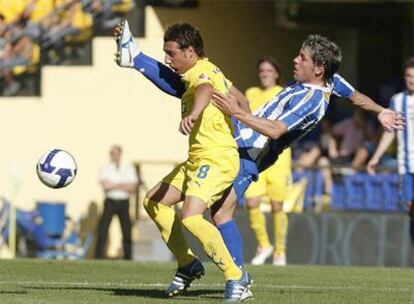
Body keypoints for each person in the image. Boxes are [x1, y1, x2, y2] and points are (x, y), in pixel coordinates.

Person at [115, 20, 403, 301]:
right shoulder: (330, 80)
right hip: (237, 141)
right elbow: (354, 95)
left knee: (220, 213)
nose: (294, 60)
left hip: (250, 155)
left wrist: (238, 113)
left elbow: (276, 129)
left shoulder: (311, 101)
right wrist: (380, 110)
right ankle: (136, 58)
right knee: (194, 92)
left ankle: (238, 279)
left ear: (318, 68)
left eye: (301, 58)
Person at [116, 20, 252, 302]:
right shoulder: (211, 69)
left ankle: (235, 276)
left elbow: (202, 90)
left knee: (191, 216)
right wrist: (240, 117)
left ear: (190, 51)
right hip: (201, 157)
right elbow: (240, 98)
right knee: (153, 201)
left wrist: (194, 114)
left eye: (171, 53)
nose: (168, 59)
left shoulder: (201, 73)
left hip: (217, 158)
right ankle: (188, 264)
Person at [243, 56, 292, 266]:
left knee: (276, 206)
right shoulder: (251, 93)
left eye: (269, 71)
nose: (265, 74)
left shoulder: (284, 93)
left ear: (276, 74)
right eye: (262, 70)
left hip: (278, 155)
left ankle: (280, 251)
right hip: (254, 152)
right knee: (252, 201)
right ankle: (263, 244)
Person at [367, 57, 414, 242]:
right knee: (410, 208)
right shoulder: (397, 100)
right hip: (406, 166)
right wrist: (376, 158)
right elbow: (390, 132)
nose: (412, 80)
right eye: (409, 76)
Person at [95, 145, 138, 260]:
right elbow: (105, 186)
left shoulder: (128, 167)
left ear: (120, 153)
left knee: (127, 231)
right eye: (111, 153)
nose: (112, 155)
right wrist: (123, 185)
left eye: (114, 153)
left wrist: (114, 185)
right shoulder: (105, 167)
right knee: (103, 230)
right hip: (110, 202)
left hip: (124, 202)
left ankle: (128, 258)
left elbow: (132, 187)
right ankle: (98, 257)